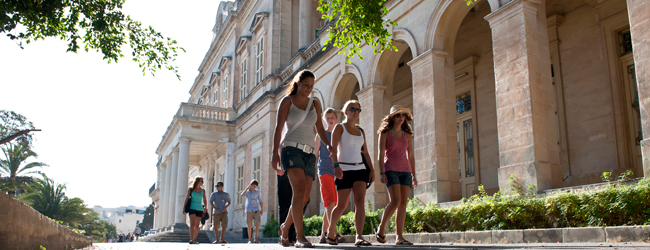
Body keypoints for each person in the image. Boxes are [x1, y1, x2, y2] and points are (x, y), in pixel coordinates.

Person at [271, 69, 333, 248]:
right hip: (291, 149)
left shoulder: (315, 103)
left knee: (304, 197)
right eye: (306, 85)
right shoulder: (287, 101)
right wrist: (275, 153)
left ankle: (284, 228)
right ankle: (300, 237)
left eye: (312, 86)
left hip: (309, 153)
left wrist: (328, 145)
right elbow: (278, 128)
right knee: (298, 190)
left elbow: (320, 128)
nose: (309, 88)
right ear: (298, 83)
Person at [326, 100, 374, 246]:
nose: (356, 112)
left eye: (359, 110)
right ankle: (330, 231)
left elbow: (365, 152)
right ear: (346, 111)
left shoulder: (361, 131)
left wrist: (371, 169)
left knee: (360, 203)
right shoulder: (339, 127)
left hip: (360, 169)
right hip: (344, 170)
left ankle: (359, 237)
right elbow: (332, 149)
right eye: (353, 109)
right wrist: (335, 166)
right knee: (341, 205)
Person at [375, 105, 418, 245]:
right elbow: (380, 154)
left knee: (403, 203)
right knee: (395, 201)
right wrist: (381, 173)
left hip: (405, 171)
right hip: (391, 170)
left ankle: (399, 237)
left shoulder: (407, 134)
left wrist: (414, 174)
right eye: (398, 115)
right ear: (393, 117)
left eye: (403, 115)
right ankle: (381, 228)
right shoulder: (385, 133)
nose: (401, 117)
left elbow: (410, 155)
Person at [313, 108, 344, 244]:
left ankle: (323, 234)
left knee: (331, 203)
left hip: (337, 171)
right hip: (324, 170)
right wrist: (312, 171)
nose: (330, 120)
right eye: (328, 118)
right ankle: (334, 232)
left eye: (333, 117)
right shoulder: (320, 135)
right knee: (330, 201)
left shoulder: (339, 135)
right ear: (325, 119)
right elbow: (315, 154)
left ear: (336, 119)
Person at [182, 176, 208, 244]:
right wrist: (184, 208)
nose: (203, 182)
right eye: (201, 181)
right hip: (192, 208)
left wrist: (205, 207)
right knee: (192, 224)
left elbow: (205, 199)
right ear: (197, 181)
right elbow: (187, 198)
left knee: (197, 225)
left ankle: (194, 240)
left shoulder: (203, 191)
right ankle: (191, 239)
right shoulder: (191, 189)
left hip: (200, 209)